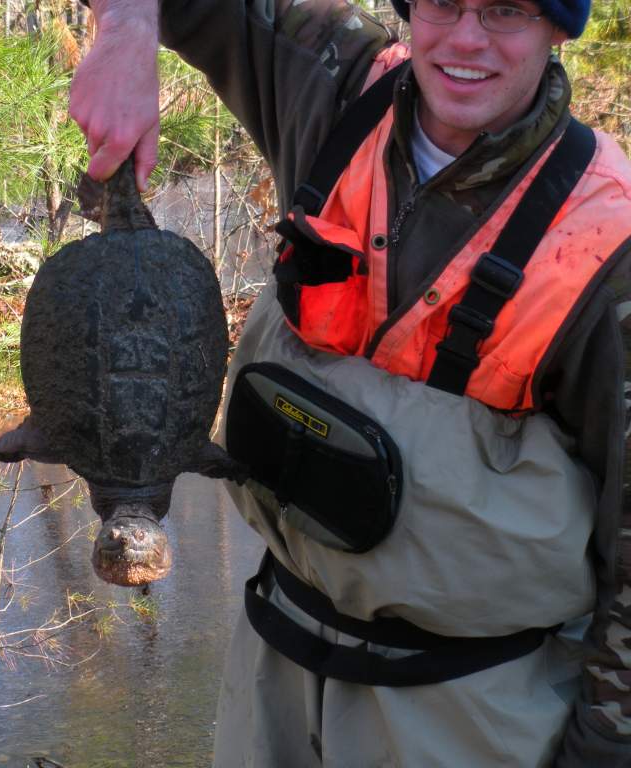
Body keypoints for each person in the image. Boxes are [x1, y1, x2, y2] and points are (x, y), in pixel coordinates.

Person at [70, 0, 631, 765]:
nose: (466, 38)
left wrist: (602, 751)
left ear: (558, 28)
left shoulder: (607, 240)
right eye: (443, 2)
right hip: (272, 667)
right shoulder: (339, 86)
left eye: (505, 10)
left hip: (473, 708)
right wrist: (128, 26)